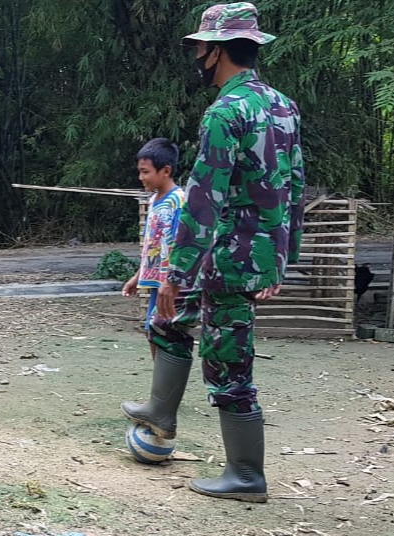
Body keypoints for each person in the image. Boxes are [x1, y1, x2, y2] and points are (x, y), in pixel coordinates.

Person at [155, 2, 305, 502]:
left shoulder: (225, 112)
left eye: (200, 47)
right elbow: (294, 187)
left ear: (216, 51)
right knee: (173, 325)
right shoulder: (283, 105)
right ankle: (160, 412)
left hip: (227, 258)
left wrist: (175, 272)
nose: (196, 55)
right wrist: (285, 255)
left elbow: (204, 197)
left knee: (227, 358)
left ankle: (246, 476)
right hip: (255, 254)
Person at [121, 138, 191, 366]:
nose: (141, 178)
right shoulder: (154, 201)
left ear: (166, 171)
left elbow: (179, 244)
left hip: (169, 284)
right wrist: (137, 277)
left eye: (145, 172)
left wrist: (170, 280)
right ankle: (161, 392)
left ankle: (166, 393)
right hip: (155, 283)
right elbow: (152, 245)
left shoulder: (178, 201)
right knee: (153, 331)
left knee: (162, 331)